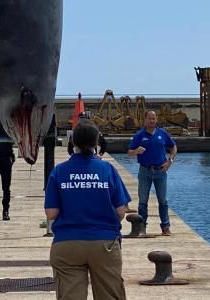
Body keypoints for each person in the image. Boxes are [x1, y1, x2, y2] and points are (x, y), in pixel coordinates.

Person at [45, 120, 129, 300]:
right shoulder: (107, 169)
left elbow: (51, 213)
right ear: (96, 143)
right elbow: (121, 211)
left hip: (67, 244)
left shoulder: (59, 171)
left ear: (72, 142)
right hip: (104, 242)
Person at [127, 109, 177, 235]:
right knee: (143, 201)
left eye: (154, 118)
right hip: (145, 171)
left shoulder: (162, 133)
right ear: (145, 120)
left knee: (163, 200)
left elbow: (173, 147)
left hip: (160, 171)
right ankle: (142, 227)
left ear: (156, 120)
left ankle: (165, 227)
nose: (152, 121)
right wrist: (136, 151)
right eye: (149, 118)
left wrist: (170, 160)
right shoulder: (139, 135)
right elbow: (129, 153)